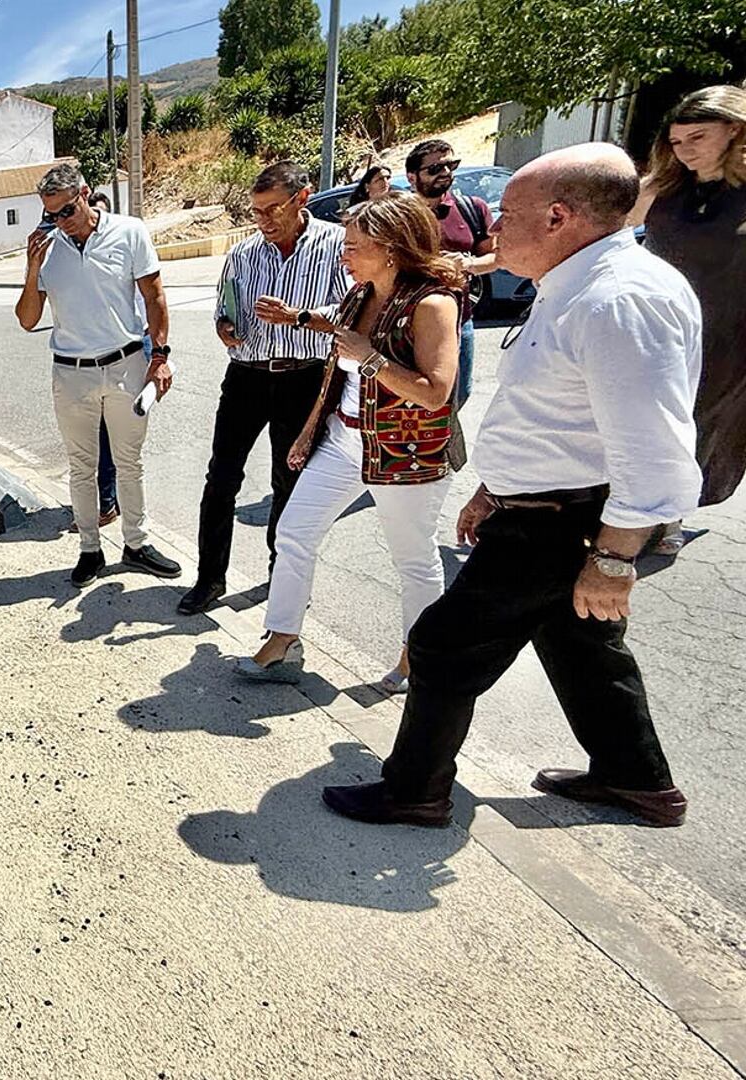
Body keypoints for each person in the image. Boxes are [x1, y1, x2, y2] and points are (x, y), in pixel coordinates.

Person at [323, 144, 703, 829]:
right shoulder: (578, 286)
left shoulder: (619, 300)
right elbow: (558, 422)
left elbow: (655, 452)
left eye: (509, 211)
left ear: (559, 217)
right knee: (583, 647)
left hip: (561, 521)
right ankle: (638, 780)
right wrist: (493, 488)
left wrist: (614, 559)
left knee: (442, 646)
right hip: (542, 506)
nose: (489, 223)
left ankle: (414, 792)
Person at [234, 195, 461, 692]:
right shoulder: (361, 295)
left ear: (391, 249)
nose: (344, 256)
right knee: (294, 531)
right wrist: (311, 427)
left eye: (354, 247)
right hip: (343, 440)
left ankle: (416, 659)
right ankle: (284, 640)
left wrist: (372, 358)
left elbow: (437, 393)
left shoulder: (433, 303)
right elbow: (340, 365)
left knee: (414, 560)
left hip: (406, 455)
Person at [178, 162, 350, 616]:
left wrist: (299, 315)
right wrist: (225, 325)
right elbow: (224, 305)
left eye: (274, 210)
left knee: (288, 482)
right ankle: (210, 578)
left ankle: (284, 579)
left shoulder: (336, 245)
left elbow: (355, 312)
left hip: (305, 377)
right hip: (247, 377)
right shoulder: (243, 253)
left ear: (303, 197)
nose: (265, 221)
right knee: (221, 479)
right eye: (257, 212)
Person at [16, 162, 180, 585]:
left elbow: (155, 297)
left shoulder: (129, 232)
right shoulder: (48, 249)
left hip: (126, 363)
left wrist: (158, 357)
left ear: (85, 194)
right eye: (50, 215)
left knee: (129, 462)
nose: (59, 222)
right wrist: (32, 269)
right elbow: (28, 321)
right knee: (81, 466)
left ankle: (137, 544)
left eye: (66, 211)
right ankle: (90, 549)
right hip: (71, 375)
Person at [632, 85, 746, 552]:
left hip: (728, 337)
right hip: (659, 328)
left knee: (700, 427)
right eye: (677, 142)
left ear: (735, 130)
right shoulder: (667, 186)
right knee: (645, 421)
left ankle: (668, 514)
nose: (685, 150)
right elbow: (608, 222)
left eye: (698, 137)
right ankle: (643, 513)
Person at [405, 138, 495, 405]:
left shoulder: (472, 209)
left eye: (450, 165)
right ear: (412, 177)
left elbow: (496, 257)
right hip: (405, 320)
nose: (445, 173)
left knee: (458, 393)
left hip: (459, 318)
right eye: (435, 168)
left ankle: (445, 445)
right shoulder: (401, 213)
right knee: (411, 395)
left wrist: (468, 264)